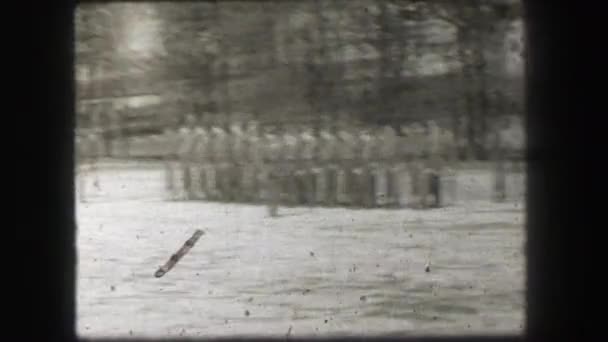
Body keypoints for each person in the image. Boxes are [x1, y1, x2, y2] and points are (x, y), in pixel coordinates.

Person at [295, 124, 316, 206]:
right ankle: (306, 200)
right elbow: (298, 151)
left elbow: (315, 152)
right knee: (304, 181)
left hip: (307, 161)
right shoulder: (301, 139)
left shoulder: (311, 139)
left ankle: (308, 200)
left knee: (306, 181)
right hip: (304, 161)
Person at [318, 125, 338, 206]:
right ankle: (326, 201)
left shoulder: (333, 140)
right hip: (324, 163)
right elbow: (319, 152)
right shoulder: (322, 140)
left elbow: (336, 152)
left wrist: (334, 162)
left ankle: (332, 201)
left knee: (332, 183)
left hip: (332, 162)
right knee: (325, 183)